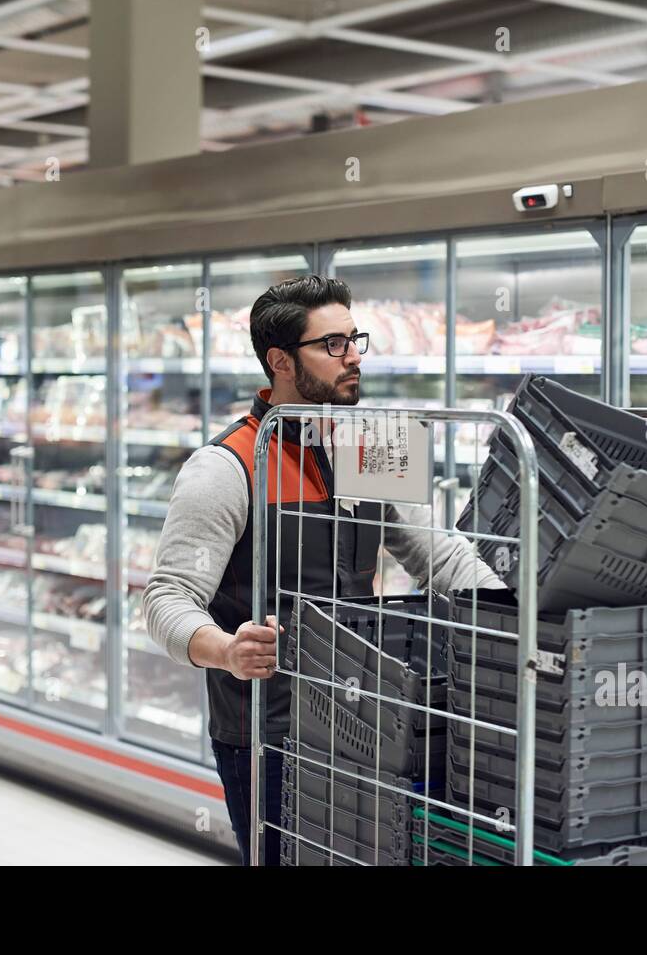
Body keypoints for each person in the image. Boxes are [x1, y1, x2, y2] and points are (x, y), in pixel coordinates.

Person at [143, 275, 502, 865]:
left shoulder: (372, 444)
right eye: (332, 345)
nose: (353, 356)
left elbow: (439, 556)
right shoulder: (227, 465)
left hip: (367, 718)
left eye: (354, 339)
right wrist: (226, 648)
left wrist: (511, 611)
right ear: (281, 361)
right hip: (270, 733)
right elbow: (167, 597)